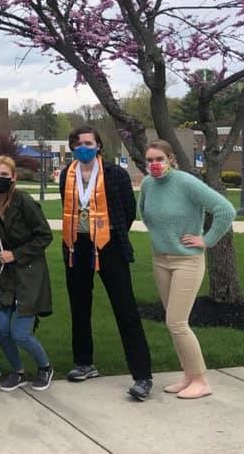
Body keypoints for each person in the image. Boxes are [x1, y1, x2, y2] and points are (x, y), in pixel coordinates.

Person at [60, 125, 153, 401]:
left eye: (88, 142)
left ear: (99, 145)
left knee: (125, 308)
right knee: (79, 306)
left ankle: (142, 375)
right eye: (77, 143)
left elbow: (127, 210)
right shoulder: (68, 173)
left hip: (108, 245)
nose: (83, 147)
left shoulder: (115, 173)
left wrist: (110, 232)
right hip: (76, 245)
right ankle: (84, 363)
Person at [139, 139, 236, 399]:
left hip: (187, 261)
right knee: (174, 324)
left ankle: (201, 380)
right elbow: (144, 214)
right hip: (161, 260)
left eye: (159, 159)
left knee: (177, 322)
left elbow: (225, 210)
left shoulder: (186, 183)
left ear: (171, 159)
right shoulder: (148, 184)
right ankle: (188, 376)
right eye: (149, 160)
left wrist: (206, 239)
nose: (154, 164)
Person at [0, 156, 54, 392]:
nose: (0, 179)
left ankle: (45, 366)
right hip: (5, 277)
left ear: (13, 177)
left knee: (20, 332)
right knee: (1, 329)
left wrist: (17, 254)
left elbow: (45, 235)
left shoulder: (23, 201)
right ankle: (18, 371)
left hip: (29, 273)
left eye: (5, 175)